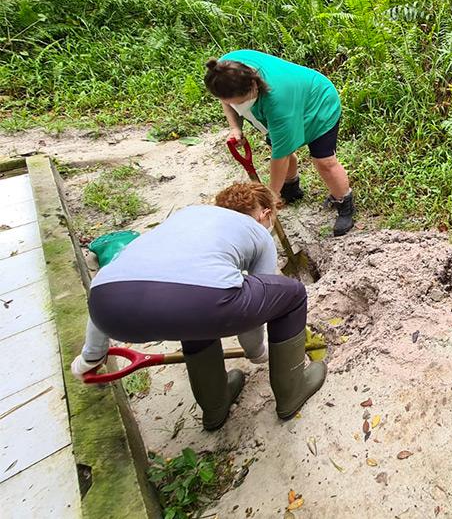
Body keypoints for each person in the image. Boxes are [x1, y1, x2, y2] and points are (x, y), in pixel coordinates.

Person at [70, 183, 327, 430]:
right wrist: (257, 351)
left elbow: (104, 291)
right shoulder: (257, 231)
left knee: (191, 304)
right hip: (202, 303)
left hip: (107, 304)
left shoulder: (186, 217)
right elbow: (260, 304)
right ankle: (291, 392)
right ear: (266, 214)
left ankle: (215, 405)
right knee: (290, 294)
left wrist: (90, 358)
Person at [204, 50, 354, 236]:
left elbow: (279, 158)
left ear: (253, 85)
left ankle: (344, 204)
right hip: (287, 104)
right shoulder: (223, 71)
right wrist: (235, 127)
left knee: (324, 162)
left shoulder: (277, 104)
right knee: (281, 148)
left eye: (241, 102)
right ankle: (291, 190)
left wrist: (270, 198)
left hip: (318, 104)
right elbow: (226, 100)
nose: (238, 106)